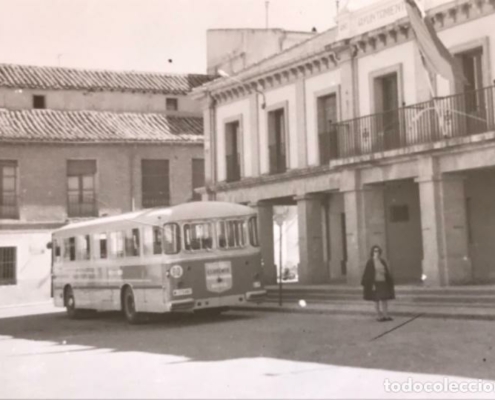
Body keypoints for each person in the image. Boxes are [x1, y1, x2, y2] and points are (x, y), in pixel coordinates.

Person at [361, 245, 395, 322]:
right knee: (376, 300)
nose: (376, 253)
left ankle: (386, 315)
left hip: (383, 282)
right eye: (375, 251)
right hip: (375, 283)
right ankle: (378, 316)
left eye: (378, 251)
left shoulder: (382, 261)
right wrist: (371, 284)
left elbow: (386, 271)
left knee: (384, 299)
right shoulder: (370, 262)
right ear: (372, 252)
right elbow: (368, 274)